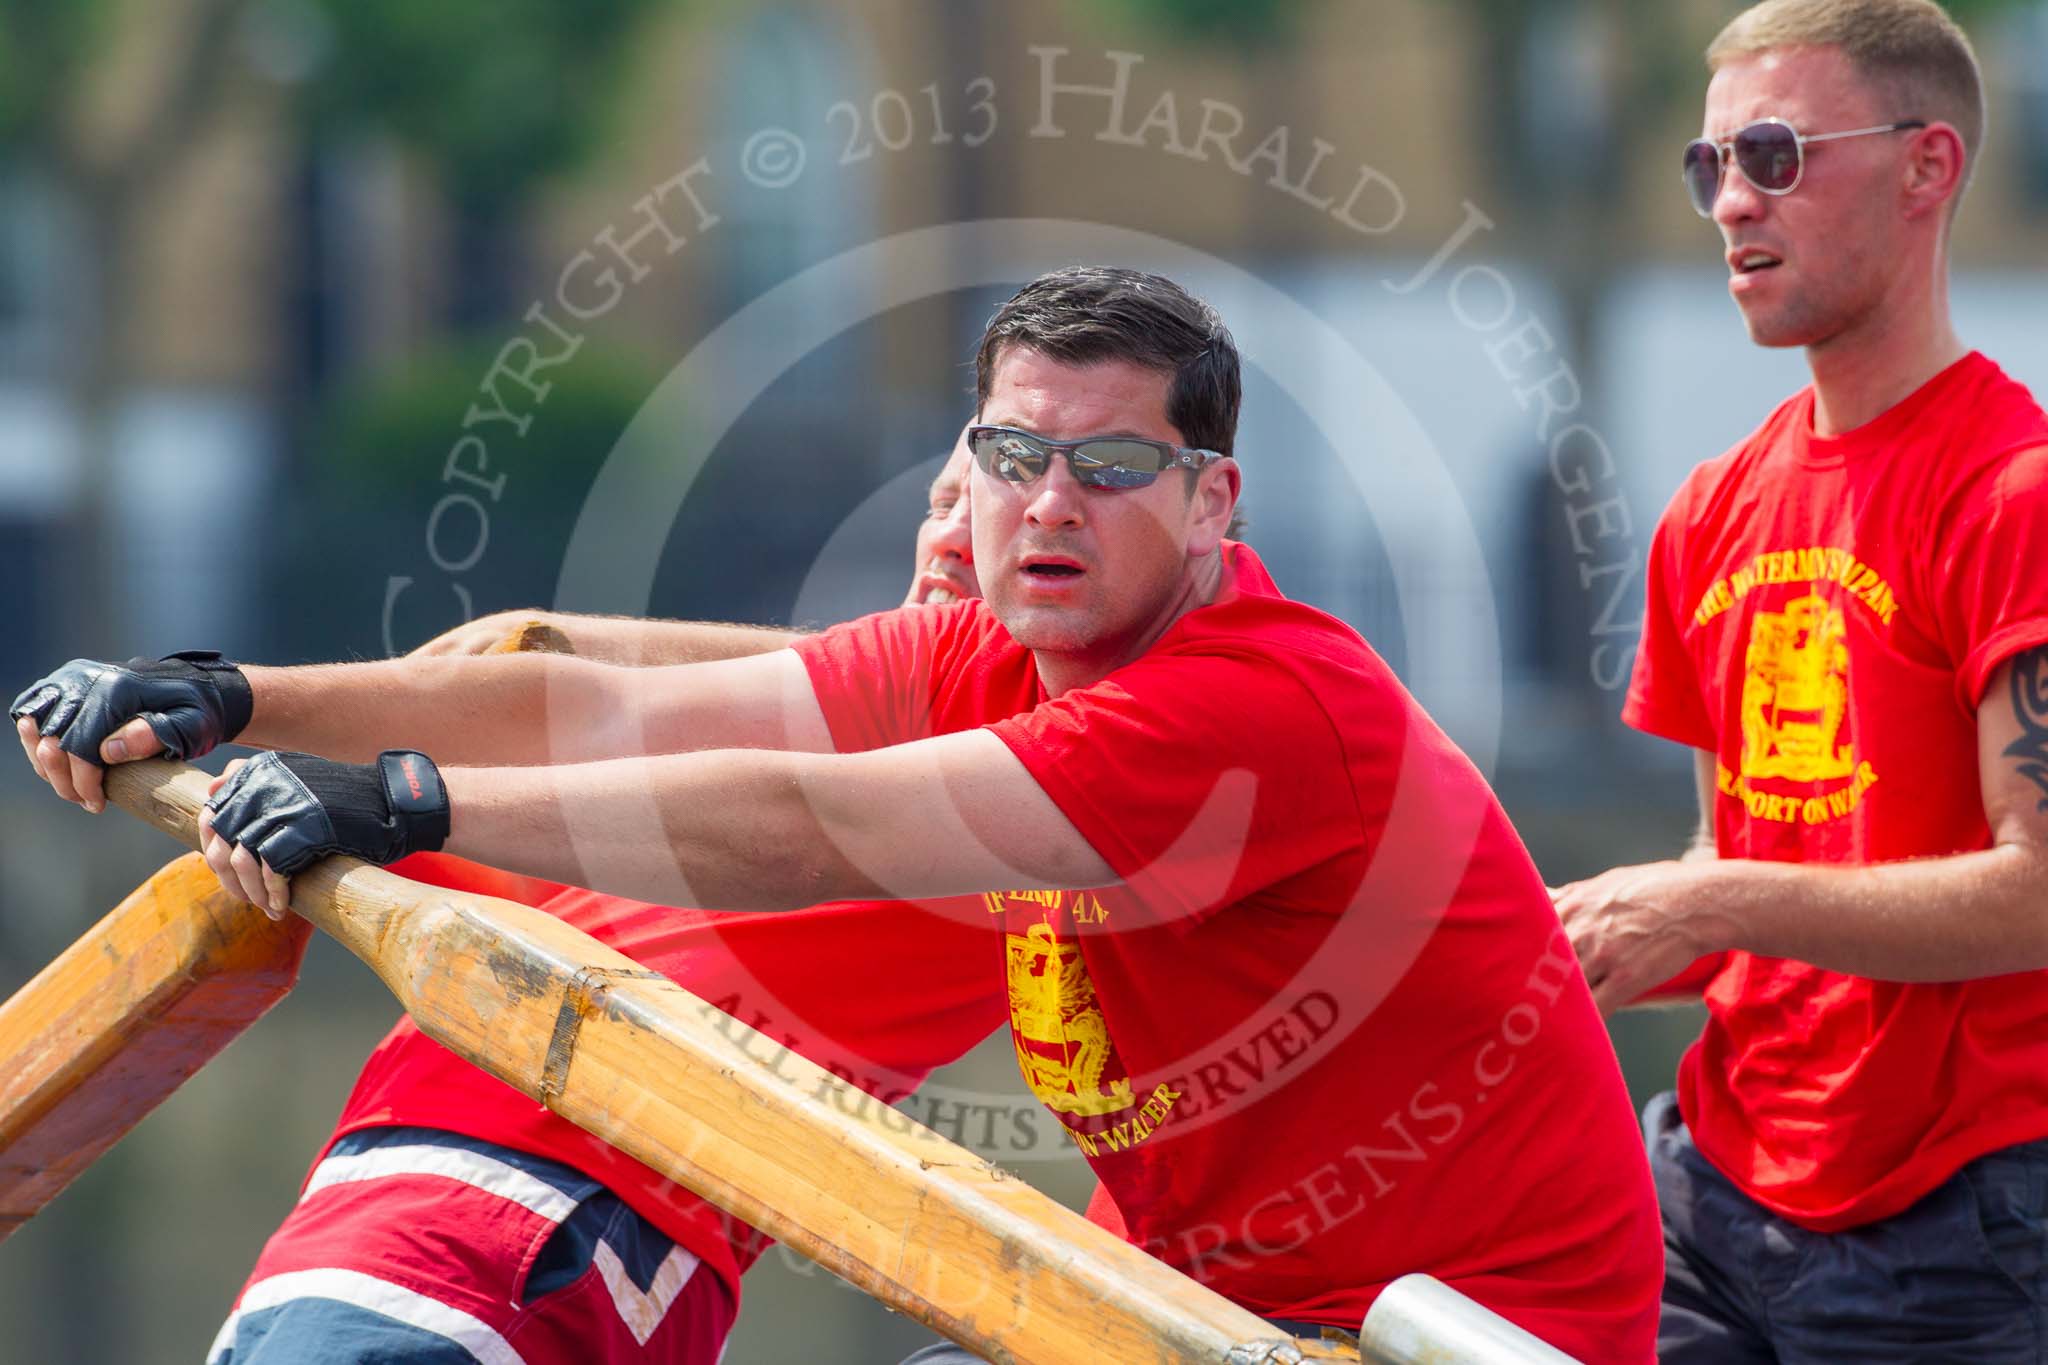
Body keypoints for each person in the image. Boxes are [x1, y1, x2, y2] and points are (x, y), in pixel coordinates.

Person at [14, 267, 1662, 1360]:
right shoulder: (977, 660)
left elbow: (819, 821)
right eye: (1002, 461)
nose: (1032, 512)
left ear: (1212, 502)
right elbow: (591, 694)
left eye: (1105, 469)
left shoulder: (1246, 707)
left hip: (1447, 1341)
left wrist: (396, 795)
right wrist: (235, 697)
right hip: (1193, 1311)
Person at [16, 444, 1006, 1364]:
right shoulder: (677, 761)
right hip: (374, 1220)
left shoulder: (1055, 785)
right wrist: (208, 696)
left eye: (997, 497)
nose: (953, 531)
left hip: (531, 1235)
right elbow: (559, 684)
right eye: (941, 499)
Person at [1550, 2, 2048, 1358]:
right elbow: (1749, 868)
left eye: (1774, 154)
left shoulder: (2018, 495)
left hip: (1958, 1230)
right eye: (1709, 166)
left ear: (1926, 167)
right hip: (1707, 1192)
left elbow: (2042, 892)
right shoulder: (1708, 509)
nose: (1731, 204)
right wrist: (1560, 938)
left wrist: (1701, 893)